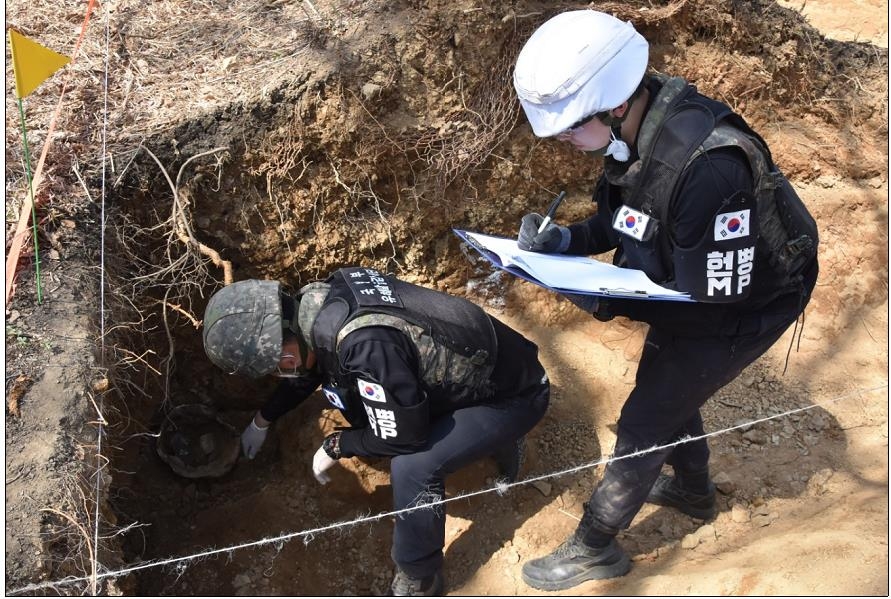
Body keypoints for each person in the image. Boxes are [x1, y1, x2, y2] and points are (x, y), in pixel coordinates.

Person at [511, 9, 819, 591]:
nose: (564, 140)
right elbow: (623, 221)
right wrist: (564, 241)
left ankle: (596, 546)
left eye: (571, 126)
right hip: (701, 287)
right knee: (669, 382)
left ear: (614, 104)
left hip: (751, 302)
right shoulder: (632, 139)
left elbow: (713, 298)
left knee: (647, 418)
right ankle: (694, 490)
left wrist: (596, 297)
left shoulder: (710, 169)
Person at [201, 266, 550, 596]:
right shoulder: (320, 303)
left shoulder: (363, 346)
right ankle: (485, 437)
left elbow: (404, 438)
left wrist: (339, 444)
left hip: (514, 395)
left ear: (284, 352)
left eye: (276, 368)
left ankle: (420, 577)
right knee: (366, 408)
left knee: (413, 467)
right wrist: (262, 420)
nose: (278, 374)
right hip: (490, 363)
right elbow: (310, 370)